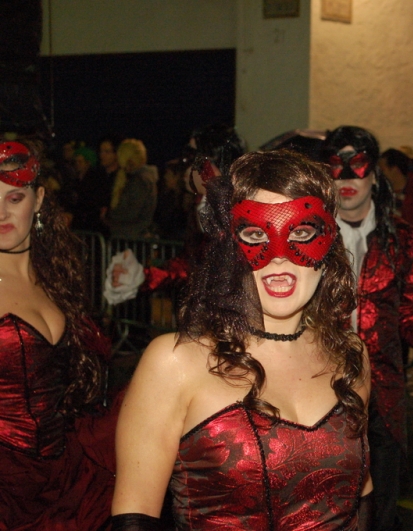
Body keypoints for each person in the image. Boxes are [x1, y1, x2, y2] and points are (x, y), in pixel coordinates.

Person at [112, 149, 373, 530]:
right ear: (228, 247)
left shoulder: (351, 357)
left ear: (328, 242)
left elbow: (361, 501)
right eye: (255, 234)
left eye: (301, 232)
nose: (279, 258)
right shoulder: (175, 363)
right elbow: (134, 518)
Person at [322, 126, 413, 531]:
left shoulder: (403, 239)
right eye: (336, 167)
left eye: (355, 166)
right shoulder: (310, 237)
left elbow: (410, 307)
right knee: (324, 493)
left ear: (374, 174)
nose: (345, 179)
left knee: (383, 499)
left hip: (384, 387)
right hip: (322, 381)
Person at [0, 140, 116, 529]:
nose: (1, 212)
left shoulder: (55, 275)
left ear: (39, 199)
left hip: (63, 470)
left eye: (14, 198)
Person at [108, 138, 158, 239]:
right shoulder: (140, 178)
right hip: (130, 235)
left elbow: (132, 212)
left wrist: (110, 215)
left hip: (132, 236)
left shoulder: (140, 180)